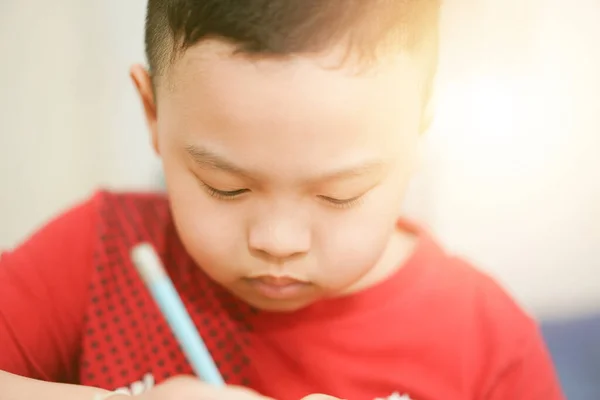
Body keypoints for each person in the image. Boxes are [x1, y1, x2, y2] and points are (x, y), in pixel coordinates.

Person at [0, 1, 564, 399]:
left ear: (419, 135)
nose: (277, 241)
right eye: (227, 187)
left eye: (338, 195)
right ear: (152, 113)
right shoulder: (100, 252)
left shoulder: (487, 341)